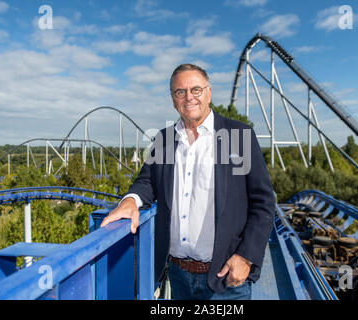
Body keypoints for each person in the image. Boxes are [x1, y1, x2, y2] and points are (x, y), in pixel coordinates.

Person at [100, 63, 275, 300]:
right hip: (177, 273)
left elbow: (263, 204)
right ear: (173, 99)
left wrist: (246, 257)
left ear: (209, 93)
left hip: (225, 279)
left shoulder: (238, 137)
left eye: (196, 90)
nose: (188, 97)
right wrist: (130, 200)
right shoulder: (164, 140)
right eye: (180, 92)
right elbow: (147, 181)